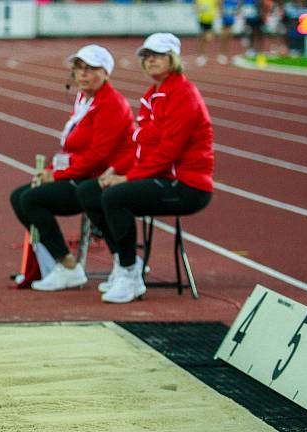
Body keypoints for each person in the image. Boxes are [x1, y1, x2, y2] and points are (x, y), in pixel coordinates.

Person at [76, 33, 214, 304]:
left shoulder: (183, 94)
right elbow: (142, 148)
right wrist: (116, 170)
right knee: (89, 192)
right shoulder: (155, 93)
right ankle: (124, 261)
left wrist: (126, 178)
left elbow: (168, 152)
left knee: (116, 197)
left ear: (172, 59)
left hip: (186, 185)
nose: (150, 60)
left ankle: (130, 275)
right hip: (160, 178)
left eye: (157, 55)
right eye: (146, 56)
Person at [9, 45, 136, 292]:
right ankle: (64, 264)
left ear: (106, 73)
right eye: (79, 69)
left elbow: (98, 156)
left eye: (91, 69)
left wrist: (55, 175)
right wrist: (49, 169)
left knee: (31, 200)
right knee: (19, 196)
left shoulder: (111, 103)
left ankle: (69, 267)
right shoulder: (84, 99)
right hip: (80, 174)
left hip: (99, 178)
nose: (83, 74)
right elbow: (71, 147)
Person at [196, 0, 219, 65]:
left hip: (210, 21)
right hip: (202, 20)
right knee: (202, 38)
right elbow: (196, 8)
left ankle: (202, 54)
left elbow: (218, 5)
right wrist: (199, 10)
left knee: (208, 39)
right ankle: (201, 55)